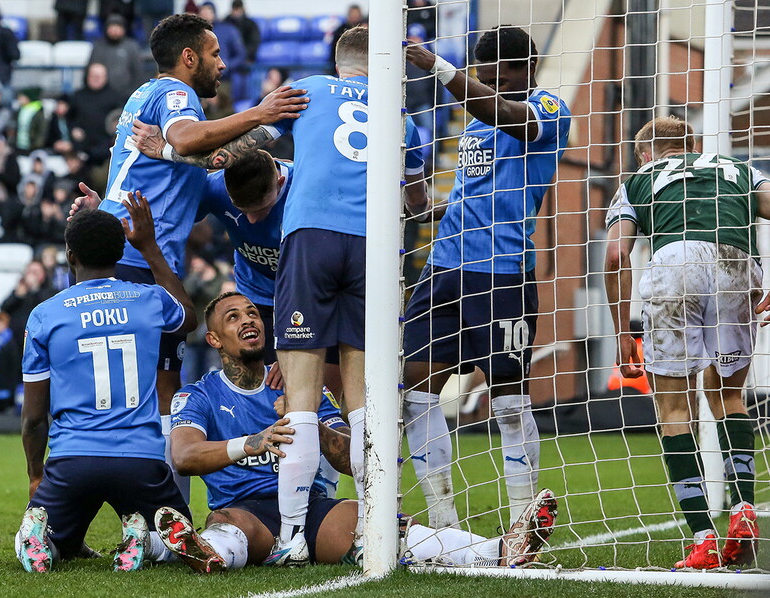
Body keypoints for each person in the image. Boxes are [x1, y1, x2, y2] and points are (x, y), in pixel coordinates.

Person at [132, 25, 427, 566]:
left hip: (311, 243)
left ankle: (293, 532)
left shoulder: (308, 91)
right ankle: (378, 515)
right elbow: (417, 200)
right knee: (366, 403)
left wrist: (173, 157)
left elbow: (235, 150)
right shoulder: (403, 117)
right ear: (386, 66)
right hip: (373, 248)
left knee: (304, 401)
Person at [68, 12, 307, 504]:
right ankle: (129, 511)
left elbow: (202, 157)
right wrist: (261, 112)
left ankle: (162, 514)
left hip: (132, 252)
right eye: (216, 55)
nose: (223, 64)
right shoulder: (178, 96)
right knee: (137, 395)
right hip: (134, 258)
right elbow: (187, 139)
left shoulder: (150, 101)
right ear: (189, 58)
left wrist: (105, 209)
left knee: (161, 392)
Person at [157, 291, 559, 572]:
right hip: (247, 510)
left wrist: (306, 419)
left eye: (251, 313)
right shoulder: (199, 394)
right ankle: (205, 551)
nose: (248, 319)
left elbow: (352, 460)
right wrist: (253, 443)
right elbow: (184, 456)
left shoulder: (304, 387)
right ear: (214, 340)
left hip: (312, 510)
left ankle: (502, 549)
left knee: (378, 525)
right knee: (234, 530)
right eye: (233, 317)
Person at [402, 25, 570, 530]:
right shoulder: (474, 122)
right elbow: (471, 193)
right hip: (444, 269)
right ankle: (443, 521)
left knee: (510, 400)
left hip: (501, 276)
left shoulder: (548, 110)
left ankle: (523, 523)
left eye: (495, 75)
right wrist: (425, 210)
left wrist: (439, 68)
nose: (487, 84)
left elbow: (509, 117)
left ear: (525, 69)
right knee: (415, 386)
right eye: (482, 75)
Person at [604, 116, 764, 569]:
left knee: (674, 409)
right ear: (692, 145)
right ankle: (743, 508)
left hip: (674, 266)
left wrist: (623, 337)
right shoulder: (738, 168)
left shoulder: (637, 180)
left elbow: (617, 254)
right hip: (737, 265)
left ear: (644, 154)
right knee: (728, 394)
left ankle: (703, 539)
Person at [15, 194, 197, 573]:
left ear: (69, 256)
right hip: (142, 461)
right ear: (120, 251)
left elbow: (34, 417)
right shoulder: (148, 300)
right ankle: (143, 540)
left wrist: (37, 473)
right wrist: (148, 247)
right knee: (177, 543)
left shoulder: (45, 314)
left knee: (54, 541)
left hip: (72, 460)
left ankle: (42, 540)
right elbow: (188, 316)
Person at [88, 14, 146, 100]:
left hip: (127, 95)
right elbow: (90, 72)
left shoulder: (131, 47)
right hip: (102, 96)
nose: (115, 30)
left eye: (118, 27)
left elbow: (138, 73)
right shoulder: (98, 47)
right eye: (112, 26)